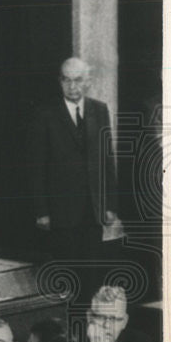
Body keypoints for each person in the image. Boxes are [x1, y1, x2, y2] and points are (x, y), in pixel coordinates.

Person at [28, 57, 120, 260]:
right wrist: (41, 211)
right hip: (61, 211)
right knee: (67, 270)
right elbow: (37, 167)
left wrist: (111, 205)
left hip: (94, 210)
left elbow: (107, 160)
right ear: (59, 81)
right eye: (66, 80)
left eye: (78, 80)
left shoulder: (100, 110)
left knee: (92, 270)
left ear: (88, 81)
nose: (72, 86)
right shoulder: (45, 114)